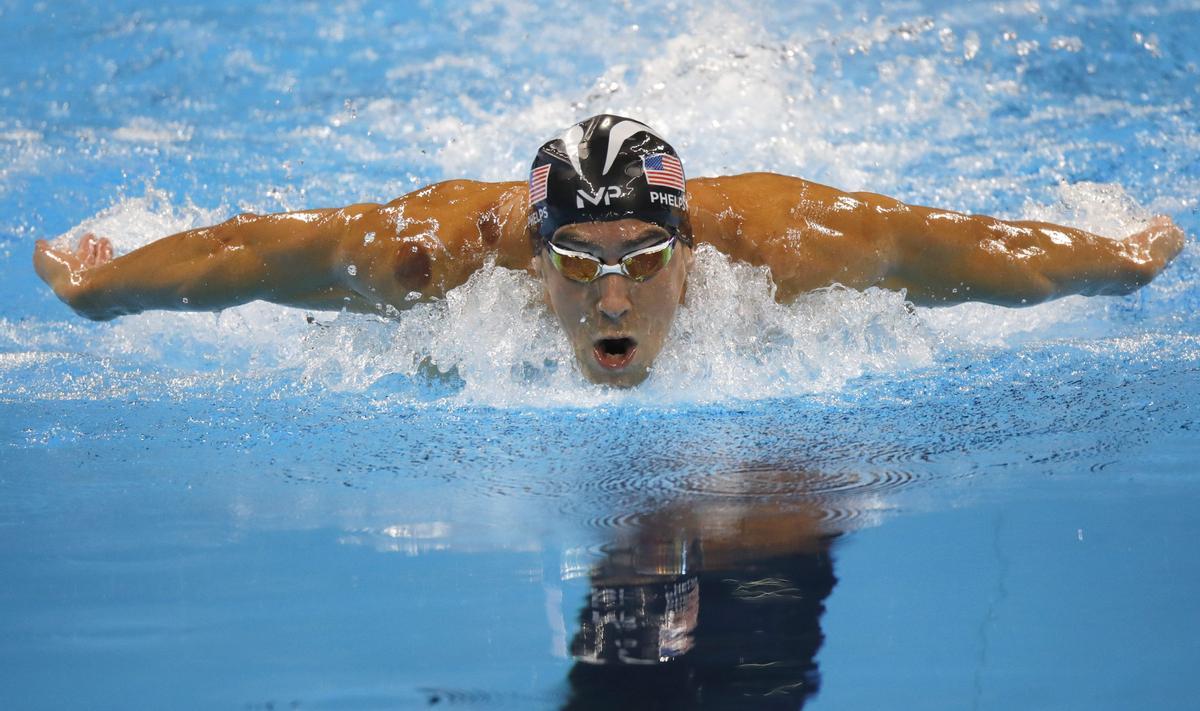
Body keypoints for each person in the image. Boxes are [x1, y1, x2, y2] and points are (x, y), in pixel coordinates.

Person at [33, 114, 1185, 387]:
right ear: (532, 260)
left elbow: (978, 249)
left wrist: (1118, 258)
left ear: (694, 251)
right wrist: (102, 290)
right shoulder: (433, 257)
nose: (614, 292)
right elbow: (246, 255)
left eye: (642, 256)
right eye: (577, 264)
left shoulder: (789, 247)